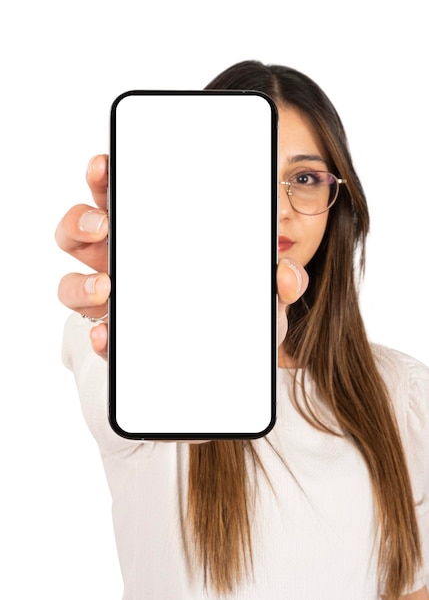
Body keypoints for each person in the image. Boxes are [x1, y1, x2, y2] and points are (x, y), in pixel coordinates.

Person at [56, 61, 429, 599]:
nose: (278, 208)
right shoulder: (125, 342)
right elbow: (112, 368)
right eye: (245, 176)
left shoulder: (401, 391)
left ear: (336, 200)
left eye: (304, 178)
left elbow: (407, 588)